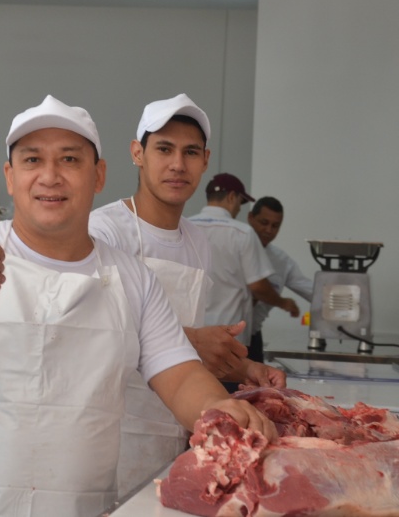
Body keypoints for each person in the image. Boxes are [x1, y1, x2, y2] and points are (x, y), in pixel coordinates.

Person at [0, 95, 277, 517]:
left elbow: (179, 373)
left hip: (79, 505)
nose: (50, 176)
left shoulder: (132, 277)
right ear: (10, 176)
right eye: (31, 161)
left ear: (98, 175)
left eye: (69, 160)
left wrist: (219, 408)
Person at [89, 94, 286, 497]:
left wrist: (243, 368)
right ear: (137, 153)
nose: (178, 164)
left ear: (205, 161)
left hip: (175, 432)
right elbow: (90, 336)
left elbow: (188, 356)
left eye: (190, 152)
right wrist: (192, 342)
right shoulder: (105, 230)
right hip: (108, 437)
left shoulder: (197, 243)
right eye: (164, 149)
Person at [189, 174, 300, 371]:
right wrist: (284, 303)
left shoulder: (185, 227)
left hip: (192, 336)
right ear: (232, 197)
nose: (239, 209)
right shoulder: (242, 232)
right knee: (231, 397)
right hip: (228, 337)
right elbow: (258, 286)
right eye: (240, 203)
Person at [247, 196, 314, 361]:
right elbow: (256, 289)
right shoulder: (234, 248)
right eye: (264, 223)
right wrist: (283, 302)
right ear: (250, 218)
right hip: (223, 334)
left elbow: (311, 290)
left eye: (275, 226)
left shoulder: (281, 261)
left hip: (253, 335)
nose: (269, 230)